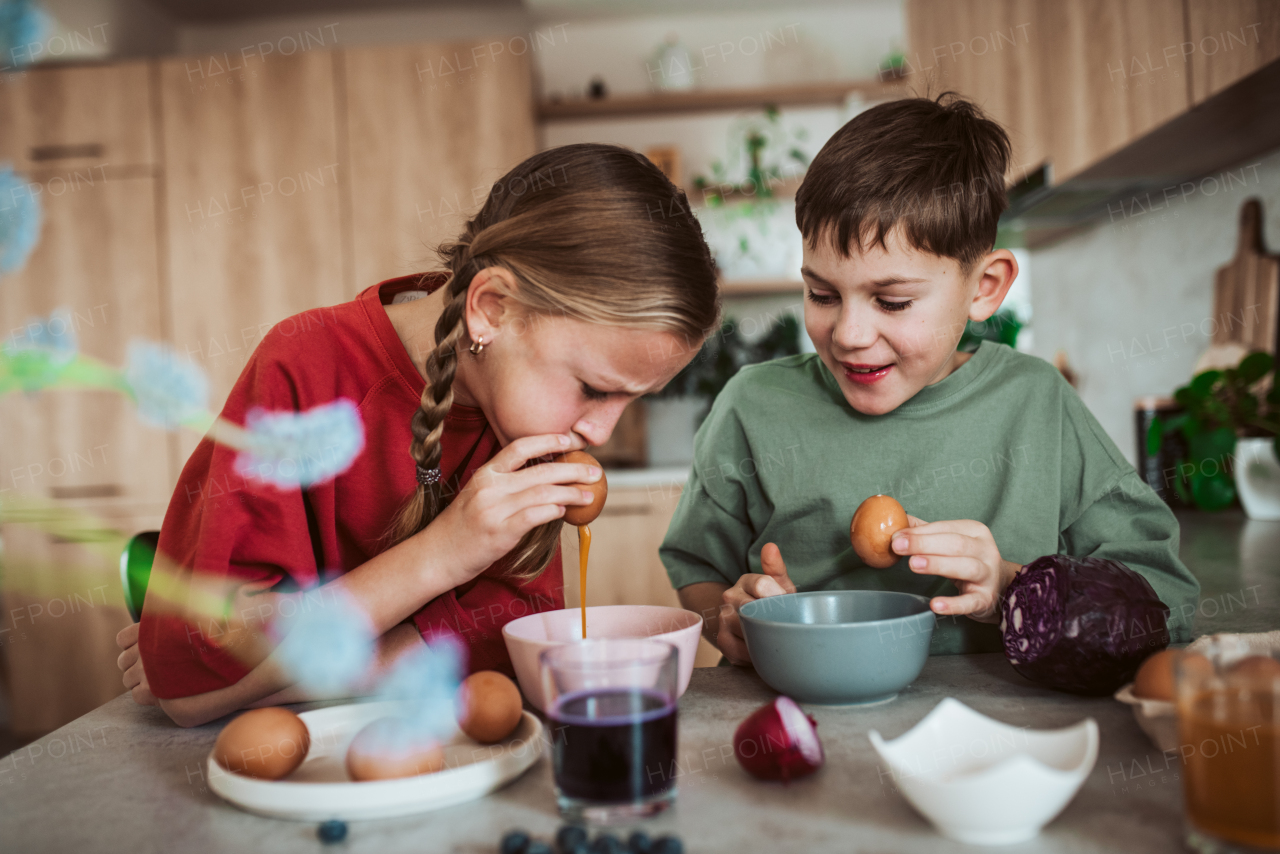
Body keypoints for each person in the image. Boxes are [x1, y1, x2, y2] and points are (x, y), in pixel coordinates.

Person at [116, 143, 720, 727]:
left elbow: (511, 658)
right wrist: (445, 554)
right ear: (492, 309)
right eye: (593, 387)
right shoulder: (304, 366)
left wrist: (261, 679)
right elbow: (194, 682)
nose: (599, 432)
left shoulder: (528, 431)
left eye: (632, 400)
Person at [661, 94, 1200, 675]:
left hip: (998, 741)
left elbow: (1163, 595)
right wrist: (730, 620)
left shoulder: (1036, 403)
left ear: (985, 287)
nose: (849, 333)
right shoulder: (753, 406)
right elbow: (698, 571)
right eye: (821, 294)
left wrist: (1013, 587)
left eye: (892, 301)